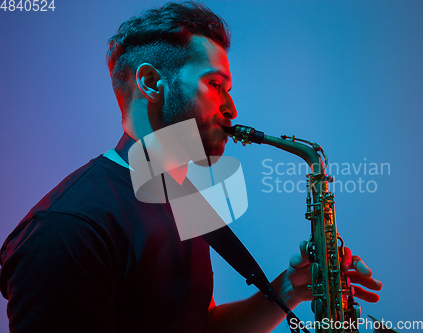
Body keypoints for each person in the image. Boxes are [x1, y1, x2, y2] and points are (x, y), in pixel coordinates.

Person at [0, 2, 382, 332]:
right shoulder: (68, 229)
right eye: (215, 85)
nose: (232, 109)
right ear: (151, 82)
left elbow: (197, 327)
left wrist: (291, 288)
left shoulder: (180, 195)